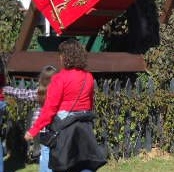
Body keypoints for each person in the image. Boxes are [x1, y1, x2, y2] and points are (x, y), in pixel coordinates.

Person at [25, 39, 106, 172]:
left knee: (58, 159)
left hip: (64, 126)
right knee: (83, 161)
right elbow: (89, 103)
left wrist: (33, 130)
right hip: (83, 125)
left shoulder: (59, 78)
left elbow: (49, 110)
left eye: (61, 55)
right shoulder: (88, 77)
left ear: (65, 56)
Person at [4, 65, 58, 172]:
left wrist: (6, 89)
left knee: (45, 153)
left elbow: (23, 94)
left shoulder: (40, 93)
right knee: (55, 155)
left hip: (43, 131)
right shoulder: (59, 94)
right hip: (57, 130)